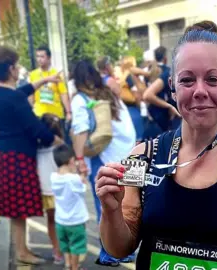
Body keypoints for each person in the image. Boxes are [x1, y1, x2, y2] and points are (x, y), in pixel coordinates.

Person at [96, 20, 217, 269]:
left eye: (212, 79)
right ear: (173, 89)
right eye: (187, 80)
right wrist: (111, 210)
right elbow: (119, 248)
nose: (200, 91)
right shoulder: (141, 159)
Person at [0, 46, 63, 264]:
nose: (19, 69)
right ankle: (21, 252)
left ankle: (22, 249)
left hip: (6, 155)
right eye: (17, 66)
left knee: (16, 211)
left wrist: (46, 79)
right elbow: (36, 129)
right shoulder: (13, 98)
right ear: (11, 69)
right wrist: (58, 141)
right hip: (18, 157)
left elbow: (24, 90)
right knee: (18, 210)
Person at [70, 60, 136, 266]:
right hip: (128, 156)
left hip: (105, 159)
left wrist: (80, 159)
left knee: (106, 208)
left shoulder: (81, 99)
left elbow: (80, 130)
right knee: (128, 206)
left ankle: (110, 253)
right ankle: (127, 250)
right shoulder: (108, 94)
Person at [51, 144, 89, 270]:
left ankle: (67, 265)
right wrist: (83, 176)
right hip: (75, 221)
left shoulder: (53, 177)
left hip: (60, 221)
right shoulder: (74, 179)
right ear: (71, 160)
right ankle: (74, 267)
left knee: (65, 244)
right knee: (76, 246)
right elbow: (82, 190)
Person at [37, 113, 66, 264]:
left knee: (51, 221)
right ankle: (67, 254)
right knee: (65, 222)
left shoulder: (36, 148)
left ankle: (57, 251)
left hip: (46, 192)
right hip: (62, 192)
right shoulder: (62, 148)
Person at [143, 46, 182, 139]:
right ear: (165, 58)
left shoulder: (148, 72)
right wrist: (168, 106)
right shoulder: (168, 72)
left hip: (152, 118)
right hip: (166, 122)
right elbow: (147, 95)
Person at [29, 46, 71, 128]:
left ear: (49, 58)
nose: (39, 59)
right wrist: (32, 109)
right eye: (37, 56)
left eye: (42, 56)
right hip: (39, 114)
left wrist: (68, 112)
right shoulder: (33, 74)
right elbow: (31, 94)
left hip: (56, 113)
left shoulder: (56, 74)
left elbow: (63, 93)